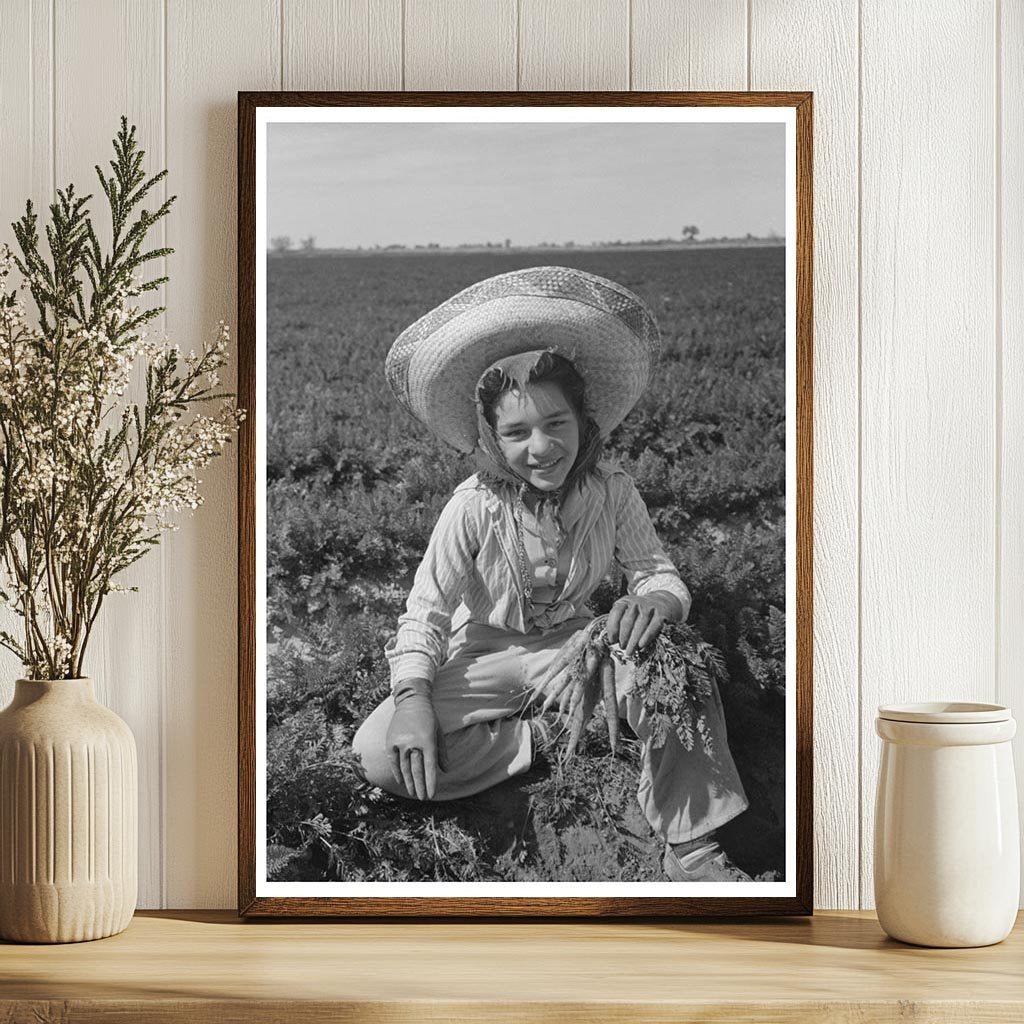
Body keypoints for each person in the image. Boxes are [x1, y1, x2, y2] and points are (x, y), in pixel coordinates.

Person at [352, 266, 751, 882]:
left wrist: (660, 605)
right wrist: (410, 698)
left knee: (683, 672)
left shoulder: (612, 491)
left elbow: (656, 573)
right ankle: (550, 732)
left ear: (583, 422)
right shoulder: (474, 506)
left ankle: (692, 844)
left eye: (555, 424)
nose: (539, 448)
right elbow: (425, 613)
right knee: (381, 753)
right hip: (482, 656)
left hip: (573, 648)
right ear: (492, 438)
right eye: (516, 432)